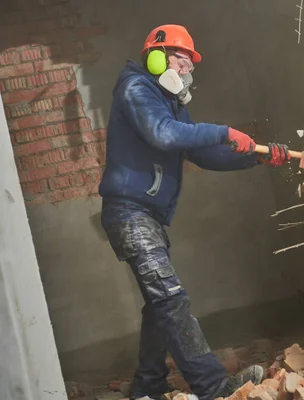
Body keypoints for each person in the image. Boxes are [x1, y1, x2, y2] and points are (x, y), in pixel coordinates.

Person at [98, 24, 291, 400]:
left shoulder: (168, 103)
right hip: (129, 213)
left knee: (159, 305)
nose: (187, 69)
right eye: (182, 60)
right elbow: (164, 135)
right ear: (156, 58)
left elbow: (202, 154)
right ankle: (213, 387)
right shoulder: (136, 89)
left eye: (190, 63)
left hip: (146, 215)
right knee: (170, 298)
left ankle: (147, 387)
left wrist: (259, 158)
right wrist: (223, 130)